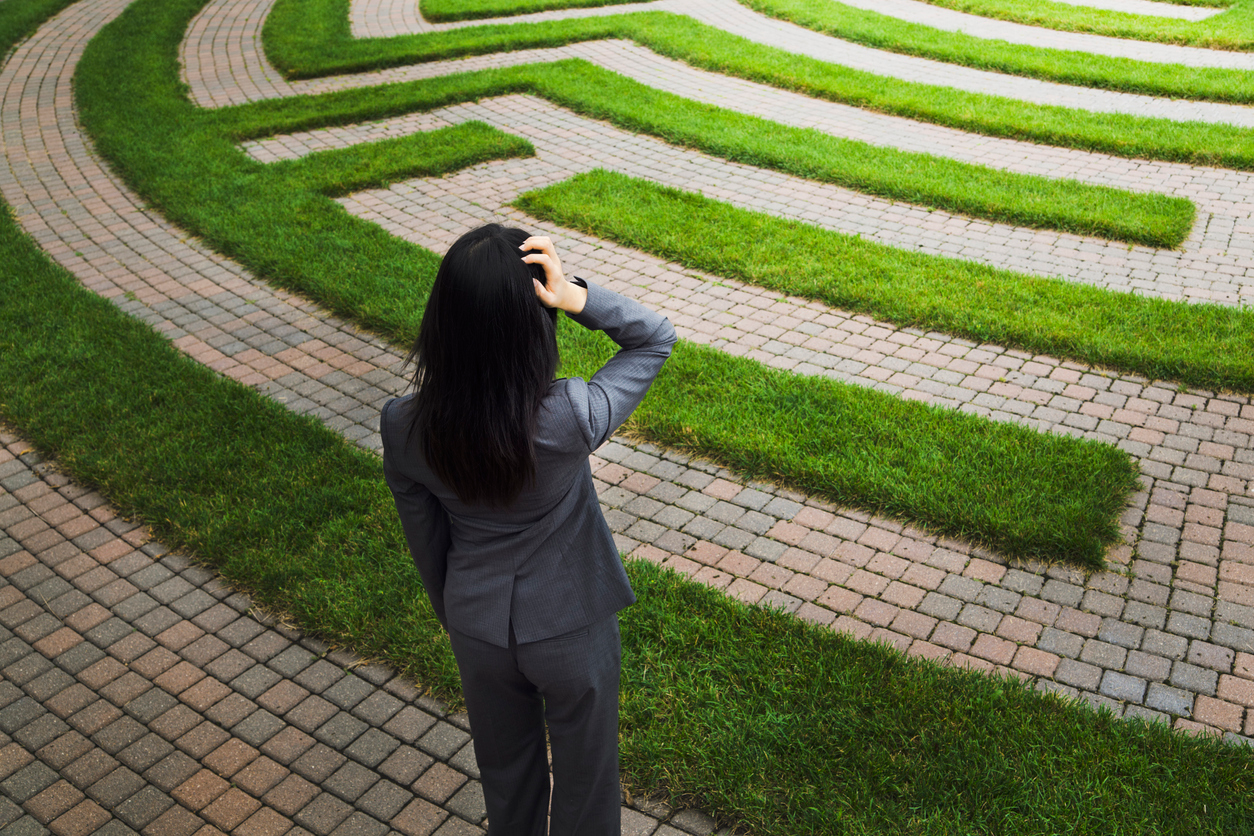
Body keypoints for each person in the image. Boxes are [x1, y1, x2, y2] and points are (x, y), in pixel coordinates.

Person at [379, 223, 677, 835]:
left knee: (505, 778)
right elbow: (653, 339)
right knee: (586, 780)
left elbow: (426, 544)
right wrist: (575, 296)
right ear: (529, 322)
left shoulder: (404, 426)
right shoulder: (568, 415)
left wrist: (460, 614)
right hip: (571, 623)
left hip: (476, 622)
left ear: (443, 320)